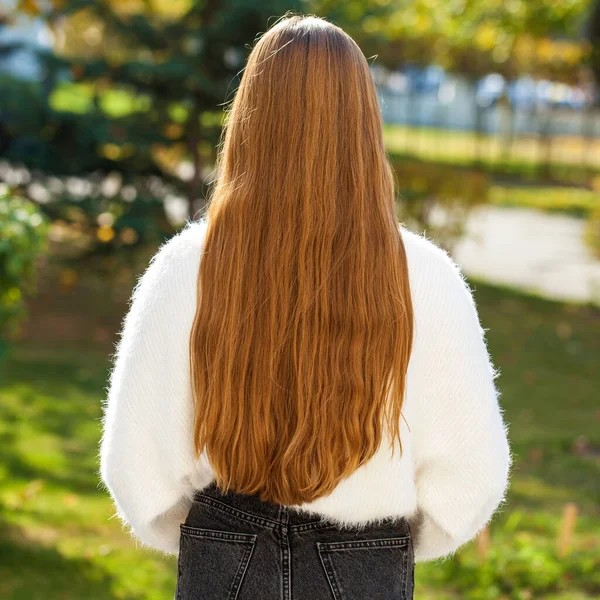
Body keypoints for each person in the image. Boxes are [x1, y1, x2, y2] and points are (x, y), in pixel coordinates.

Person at [99, 13, 512, 600]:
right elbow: (470, 475)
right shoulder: (427, 277)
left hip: (226, 551)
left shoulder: (187, 264)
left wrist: (208, 535)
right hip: (366, 560)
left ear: (248, 119)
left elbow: (137, 467)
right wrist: (383, 537)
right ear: (363, 123)